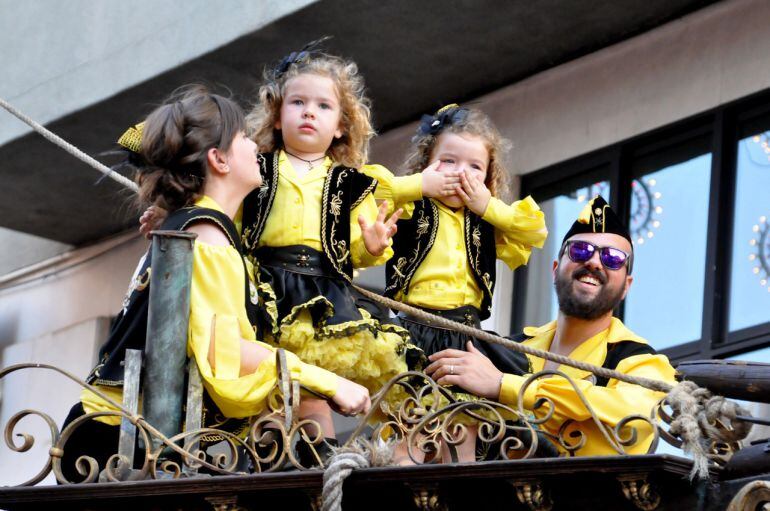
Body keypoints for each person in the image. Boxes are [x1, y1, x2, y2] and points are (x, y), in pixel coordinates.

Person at [60, 86, 369, 482]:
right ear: (219, 159)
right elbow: (224, 352)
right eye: (243, 137)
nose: (254, 144)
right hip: (121, 441)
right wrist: (329, 382)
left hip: (123, 435)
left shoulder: (195, 227)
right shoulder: (207, 235)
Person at [425, 195, 677, 456]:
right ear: (555, 269)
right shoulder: (511, 347)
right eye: (580, 250)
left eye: (613, 258)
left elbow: (632, 415)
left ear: (626, 285)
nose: (593, 262)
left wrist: (505, 386)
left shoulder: (642, 361)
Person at [386, 104, 548, 463]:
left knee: (465, 427)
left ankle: (461, 487)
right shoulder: (413, 206)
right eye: (449, 161)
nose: (461, 174)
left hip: (467, 331)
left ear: (489, 178)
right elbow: (369, 192)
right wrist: (419, 186)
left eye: (475, 167)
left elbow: (534, 230)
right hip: (417, 327)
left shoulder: (486, 221)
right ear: (426, 162)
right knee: (412, 425)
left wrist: (488, 205)